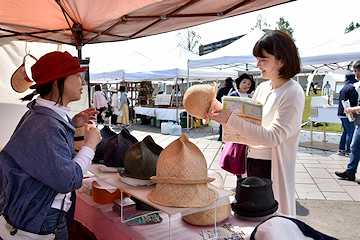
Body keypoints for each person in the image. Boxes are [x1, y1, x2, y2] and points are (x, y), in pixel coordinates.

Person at [0, 51, 102, 239]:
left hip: (36, 209)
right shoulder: (47, 124)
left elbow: (46, 150)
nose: (83, 82)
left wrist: (71, 124)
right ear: (57, 82)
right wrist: (90, 144)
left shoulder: (41, 113)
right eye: (77, 76)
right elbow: (69, 180)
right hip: (42, 214)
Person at [207, 30, 304, 216]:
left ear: (282, 60)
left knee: (269, 219)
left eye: (263, 59)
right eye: (257, 59)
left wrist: (231, 119)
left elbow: (273, 137)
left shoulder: (292, 92)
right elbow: (250, 125)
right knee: (252, 217)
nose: (258, 64)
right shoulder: (263, 87)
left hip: (270, 167)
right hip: (250, 160)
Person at [335, 61, 360, 182]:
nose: (357, 74)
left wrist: (352, 109)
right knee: (354, 146)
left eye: (359, 71)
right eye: (355, 71)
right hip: (358, 123)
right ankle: (350, 172)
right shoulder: (356, 86)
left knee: (351, 139)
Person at [228, 73, 256, 180]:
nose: (246, 85)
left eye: (248, 84)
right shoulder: (233, 96)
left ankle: (245, 177)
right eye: (244, 82)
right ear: (239, 82)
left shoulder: (250, 97)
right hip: (236, 130)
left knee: (246, 155)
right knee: (237, 156)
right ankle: (239, 179)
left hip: (248, 130)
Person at [337, 73, 358, 156]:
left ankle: (341, 148)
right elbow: (354, 101)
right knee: (351, 131)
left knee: (346, 131)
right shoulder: (352, 88)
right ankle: (349, 151)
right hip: (348, 112)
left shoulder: (343, 88)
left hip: (341, 112)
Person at [216, 77, 235, 141]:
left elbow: (217, 98)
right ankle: (229, 137)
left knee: (222, 123)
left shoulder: (222, 89)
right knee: (231, 124)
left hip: (222, 108)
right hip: (231, 109)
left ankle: (221, 136)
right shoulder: (234, 90)